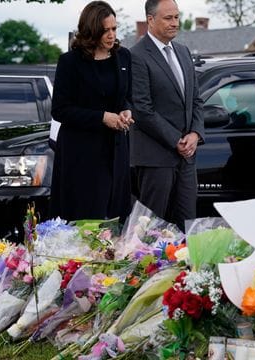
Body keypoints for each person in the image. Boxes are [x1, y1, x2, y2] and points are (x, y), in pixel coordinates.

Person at [49, 1, 134, 221]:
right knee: (88, 219)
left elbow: (127, 97)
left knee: (116, 219)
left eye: (114, 29)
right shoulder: (70, 62)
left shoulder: (123, 57)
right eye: (105, 30)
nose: (111, 35)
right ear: (91, 31)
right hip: (82, 155)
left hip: (116, 151)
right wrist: (102, 117)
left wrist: (126, 111)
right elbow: (60, 109)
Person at [130, 0, 204, 231]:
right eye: (168, 18)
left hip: (186, 158)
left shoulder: (182, 51)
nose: (175, 23)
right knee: (151, 228)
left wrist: (195, 133)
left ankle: (186, 268)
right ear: (150, 20)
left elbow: (195, 99)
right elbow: (142, 109)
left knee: (187, 226)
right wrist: (176, 140)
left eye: (176, 17)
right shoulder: (136, 55)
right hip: (155, 158)